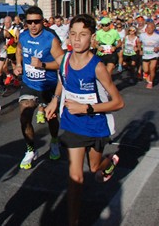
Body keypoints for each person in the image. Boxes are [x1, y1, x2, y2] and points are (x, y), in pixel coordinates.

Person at [45, 14, 124, 226]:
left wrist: (86, 107)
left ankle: (109, 163)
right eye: (73, 34)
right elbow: (63, 79)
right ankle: (74, 222)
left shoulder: (98, 67)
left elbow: (118, 102)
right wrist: (54, 100)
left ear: (92, 38)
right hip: (73, 124)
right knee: (76, 178)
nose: (77, 39)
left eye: (83, 34)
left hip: (97, 125)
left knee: (96, 169)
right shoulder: (65, 60)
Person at [14, 6, 64, 169]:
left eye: (37, 21)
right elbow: (19, 50)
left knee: (51, 119)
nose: (33, 25)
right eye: (30, 22)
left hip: (48, 85)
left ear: (43, 21)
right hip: (29, 83)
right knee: (25, 114)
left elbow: (62, 63)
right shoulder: (23, 36)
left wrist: (42, 64)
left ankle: (55, 141)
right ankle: (30, 149)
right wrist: (19, 65)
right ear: (26, 22)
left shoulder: (50, 39)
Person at [139, 20, 159, 89]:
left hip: (154, 55)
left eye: (151, 28)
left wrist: (158, 48)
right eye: (148, 28)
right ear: (146, 28)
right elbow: (139, 43)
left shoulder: (157, 36)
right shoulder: (142, 35)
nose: (149, 29)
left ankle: (151, 82)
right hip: (145, 55)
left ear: (154, 28)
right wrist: (140, 50)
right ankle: (147, 74)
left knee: (152, 69)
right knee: (146, 70)